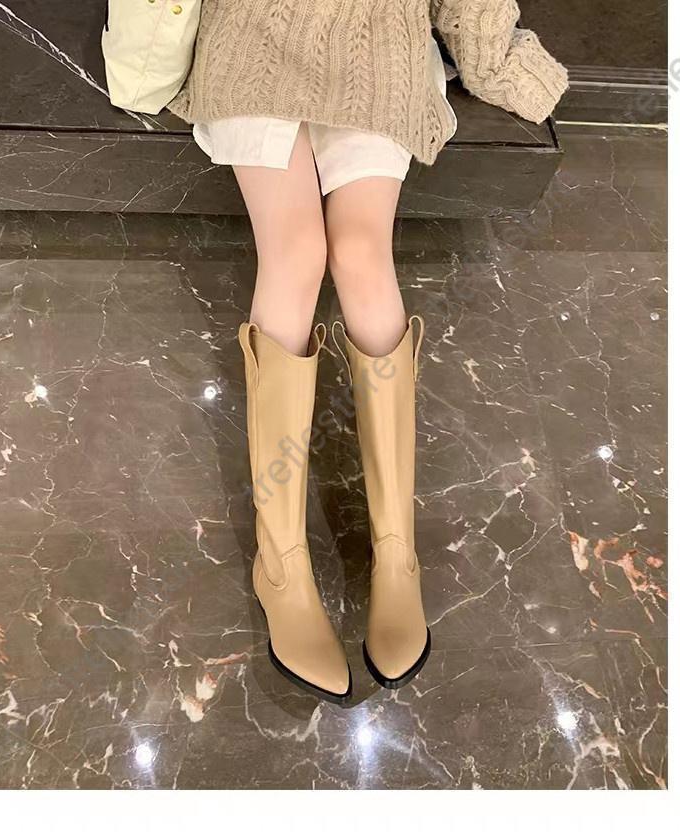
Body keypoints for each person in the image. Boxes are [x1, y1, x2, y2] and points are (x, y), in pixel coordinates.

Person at [169, 0, 567, 702]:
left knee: (360, 252)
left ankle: (396, 553)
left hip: (380, 41)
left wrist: (496, 62)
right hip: (254, 30)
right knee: (296, 252)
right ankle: (280, 565)